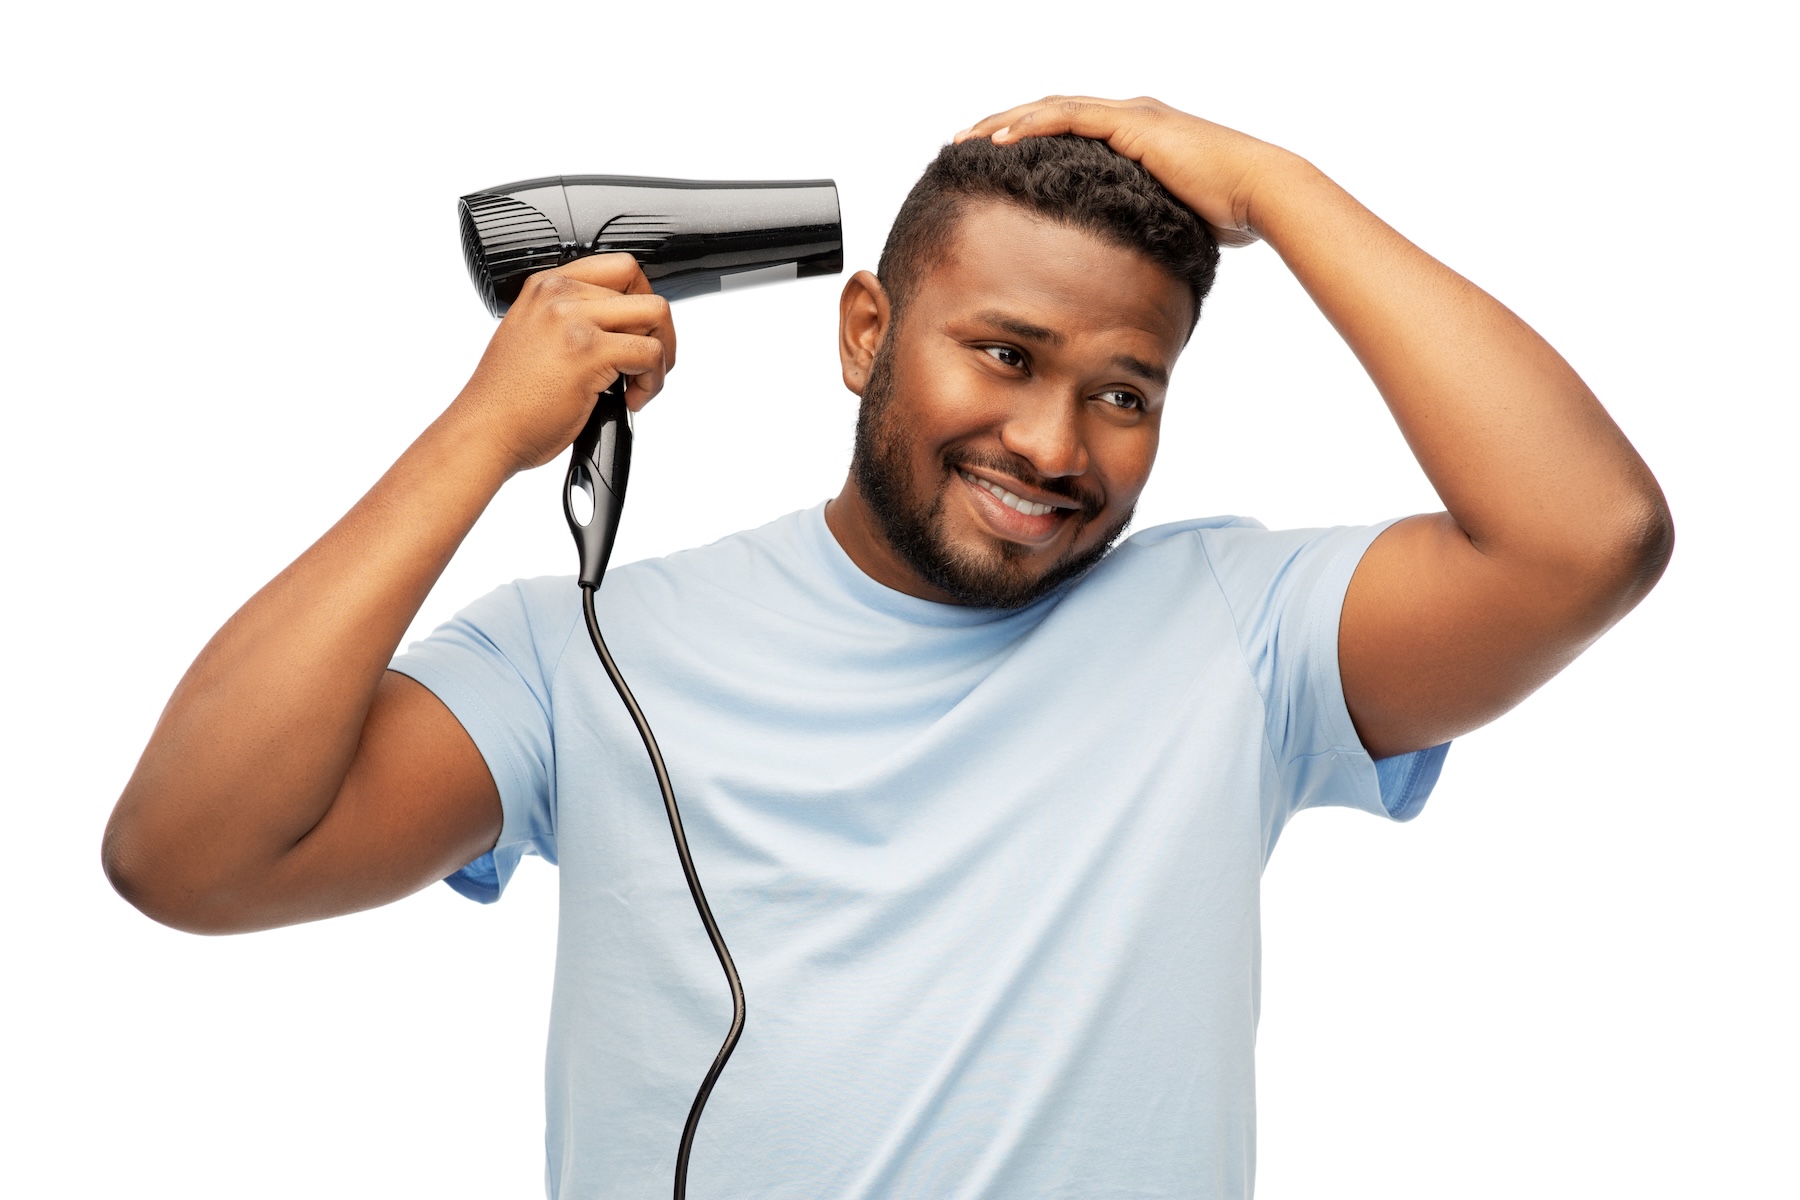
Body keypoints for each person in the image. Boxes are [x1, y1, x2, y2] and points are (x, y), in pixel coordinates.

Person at [102, 96, 1672, 1198]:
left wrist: (1274, 189)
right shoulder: (588, 655)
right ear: (864, 333)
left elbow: (1587, 537)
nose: (1054, 441)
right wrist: (477, 437)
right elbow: (189, 856)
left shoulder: (1244, 636)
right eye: (1003, 353)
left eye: (1126, 392)